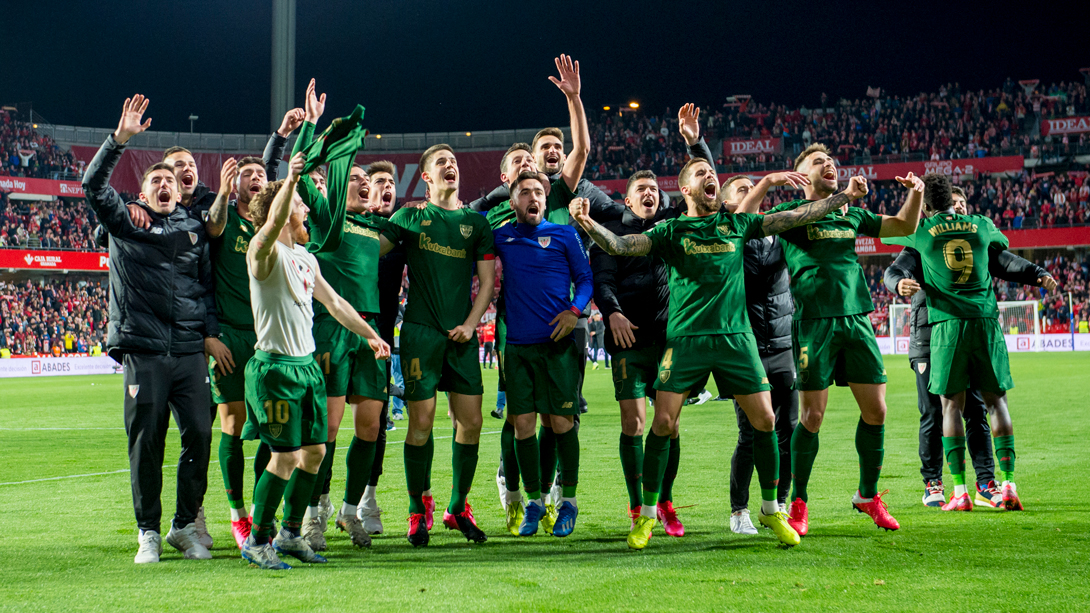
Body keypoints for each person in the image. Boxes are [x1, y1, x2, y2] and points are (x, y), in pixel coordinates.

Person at [571, 154, 867, 550]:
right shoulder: (670, 230)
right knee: (662, 424)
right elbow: (623, 246)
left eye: (712, 172)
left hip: (736, 340)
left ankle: (769, 508)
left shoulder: (737, 223)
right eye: (701, 174)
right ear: (687, 190)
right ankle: (645, 516)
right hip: (686, 341)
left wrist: (842, 197)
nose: (710, 176)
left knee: (765, 420)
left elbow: (794, 217)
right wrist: (586, 224)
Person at [748, 143, 923, 535]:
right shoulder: (791, 215)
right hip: (814, 323)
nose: (830, 165)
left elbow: (904, 226)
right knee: (811, 417)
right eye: (819, 162)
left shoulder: (851, 213)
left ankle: (867, 495)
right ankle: (800, 503)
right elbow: (750, 219)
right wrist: (768, 182)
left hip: (856, 319)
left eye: (832, 162)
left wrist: (917, 192)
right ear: (802, 176)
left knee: (876, 411)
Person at [83, 95, 219, 564]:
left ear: (180, 193)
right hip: (143, 350)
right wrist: (119, 140)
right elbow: (92, 185)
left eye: (170, 181)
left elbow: (207, 288)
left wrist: (210, 333)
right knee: (147, 444)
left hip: (188, 350)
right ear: (142, 194)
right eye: (155, 179)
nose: (165, 184)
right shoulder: (124, 222)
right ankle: (148, 531)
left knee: (201, 436)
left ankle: (184, 525)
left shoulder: (195, 230)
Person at [240, 152, 390, 569]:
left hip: (307, 368)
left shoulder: (307, 258)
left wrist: (371, 335)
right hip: (275, 369)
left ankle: (289, 534)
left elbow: (337, 303)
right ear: (284, 211)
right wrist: (290, 180)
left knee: (315, 453)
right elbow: (270, 226)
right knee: (285, 457)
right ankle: (257, 540)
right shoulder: (262, 253)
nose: (307, 211)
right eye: (301, 207)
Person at [882, 174, 1047, 512]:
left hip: (947, 327)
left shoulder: (920, 231)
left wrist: (898, 283)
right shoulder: (981, 225)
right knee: (994, 404)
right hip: (983, 324)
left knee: (950, 407)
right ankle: (1006, 483)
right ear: (950, 202)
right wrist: (1035, 272)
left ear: (925, 207)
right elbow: (1003, 260)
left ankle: (961, 489)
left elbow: (895, 265)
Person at [289, 79, 396, 550]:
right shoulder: (324, 213)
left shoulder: (379, 227)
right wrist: (310, 126)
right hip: (330, 325)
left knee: (370, 426)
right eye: (352, 177)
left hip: (369, 327)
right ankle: (316, 511)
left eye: (365, 181)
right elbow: (296, 169)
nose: (360, 182)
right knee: (328, 427)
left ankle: (352, 511)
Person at [385, 142, 496, 547]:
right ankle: (418, 510)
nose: (451, 167)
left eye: (453, 162)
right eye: (441, 163)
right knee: (421, 424)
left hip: (461, 336)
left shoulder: (475, 223)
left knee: (471, 423)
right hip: (420, 333)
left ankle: (457, 506)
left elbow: (486, 283)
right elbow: (371, 249)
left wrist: (470, 325)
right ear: (426, 177)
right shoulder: (411, 217)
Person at [493, 171, 593, 537]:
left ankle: (568, 502)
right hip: (518, 347)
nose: (533, 197)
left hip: (558, 345)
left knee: (563, 423)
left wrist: (575, 311)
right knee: (523, 425)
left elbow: (585, 279)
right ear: (512, 202)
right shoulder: (501, 237)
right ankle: (534, 503)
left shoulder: (565, 234)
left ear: (546, 200)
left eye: (539, 192)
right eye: (524, 192)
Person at [589, 169, 685, 536]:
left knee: (670, 424)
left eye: (655, 189)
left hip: (668, 341)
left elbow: (703, 188)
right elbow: (604, 279)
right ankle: (636, 504)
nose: (651, 193)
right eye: (642, 189)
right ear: (627, 200)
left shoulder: (672, 226)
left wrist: (696, 144)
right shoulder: (611, 232)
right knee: (634, 424)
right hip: (629, 340)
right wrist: (612, 312)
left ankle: (664, 501)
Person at [202, 153, 271, 549]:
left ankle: (262, 511)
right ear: (237, 184)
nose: (256, 179)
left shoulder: (273, 226)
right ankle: (237, 514)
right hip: (232, 336)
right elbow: (211, 227)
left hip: (269, 339)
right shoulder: (225, 220)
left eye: (261, 173)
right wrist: (223, 193)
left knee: (267, 428)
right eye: (248, 175)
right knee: (231, 424)